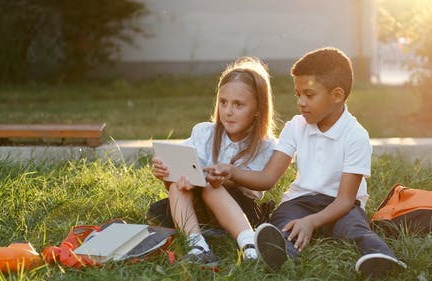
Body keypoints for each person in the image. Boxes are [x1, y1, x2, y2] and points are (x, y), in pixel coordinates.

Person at [205, 47, 407, 277]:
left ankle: (383, 258)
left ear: (337, 95)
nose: (301, 102)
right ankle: (280, 254)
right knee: (284, 221)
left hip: (341, 205)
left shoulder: (355, 135)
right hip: (299, 202)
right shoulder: (296, 126)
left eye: (309, 95)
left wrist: (311, 222)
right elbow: (267, 178)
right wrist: (230, 171)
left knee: (354, 226)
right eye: (297, 94)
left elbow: (344, 200)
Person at [152, 57, 276, 266]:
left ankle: (249, 245)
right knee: (177, 187)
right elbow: (186, 164)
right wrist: (168, 172)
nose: (228, 111)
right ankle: (197, 245)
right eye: (223, 102)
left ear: (258, 109)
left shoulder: (266, 145)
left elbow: (255, 183)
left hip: (239, 211)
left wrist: (219, 178)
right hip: (200, 207)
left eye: (238, 105)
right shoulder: (204, 133)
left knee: (211, 186)